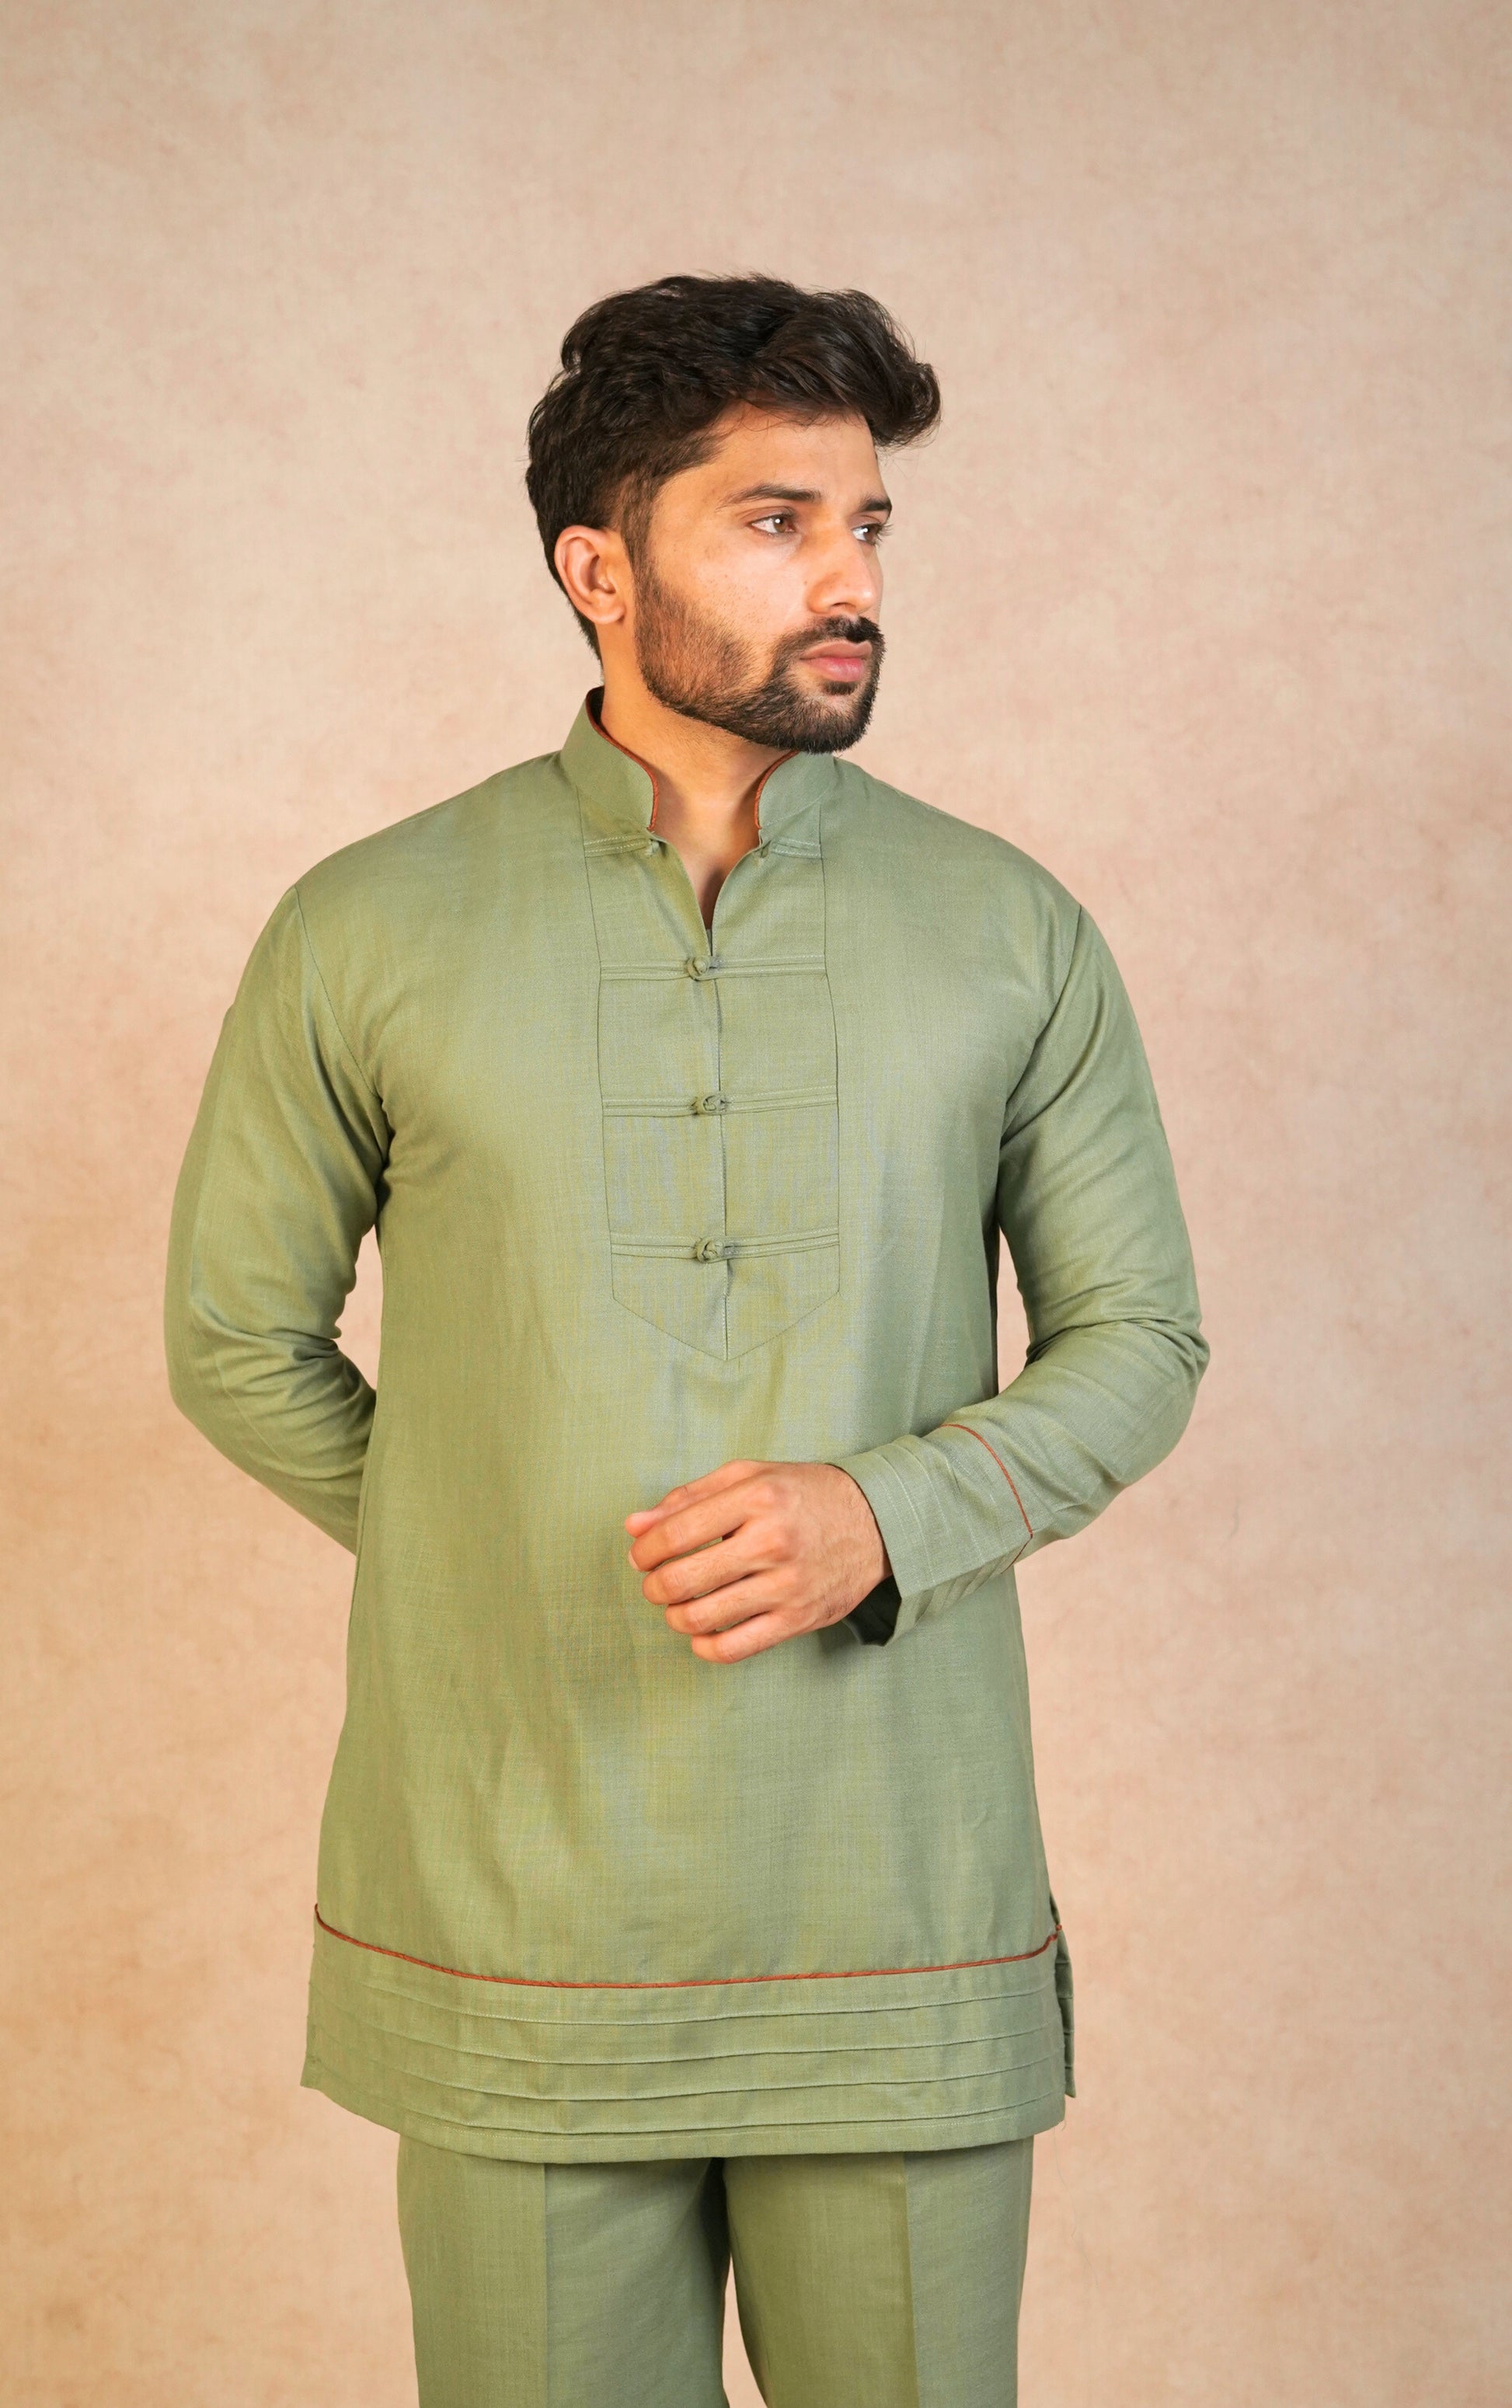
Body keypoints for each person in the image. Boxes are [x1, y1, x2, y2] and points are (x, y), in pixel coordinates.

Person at [165, 273, 1208, 2408]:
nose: (851, 580)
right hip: (517, 1906)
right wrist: (491, 1544)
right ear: (599, 566)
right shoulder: (371, 922)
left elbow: (1140, 1339)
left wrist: (885, 1516)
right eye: (775, 521)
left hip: (894, 1909)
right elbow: (233, 1333)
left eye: (867, 525)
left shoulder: (1004, 927)